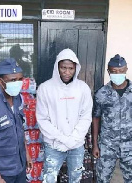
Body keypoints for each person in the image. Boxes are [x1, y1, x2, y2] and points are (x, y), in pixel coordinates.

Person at [36, 48, 93, 182]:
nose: (67, 72)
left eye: (71, 68)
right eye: (63, 68)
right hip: (54, 145)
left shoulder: (83, 88)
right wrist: (62, 138)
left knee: (75, 178)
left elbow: (86, 117)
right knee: (49, 178)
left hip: (76, 144)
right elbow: (42, 119)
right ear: (57, 67)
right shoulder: (45, 88)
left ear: (76, 68)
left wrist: (73, 139)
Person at [92, 54, 132, 183]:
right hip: (107, 145)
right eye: (114, 71)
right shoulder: (101, 93)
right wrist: (95, 144)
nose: (117, 74)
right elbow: (96, 118)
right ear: (108, 72)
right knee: (102, 178)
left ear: (126, 70)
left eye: (121, 71)